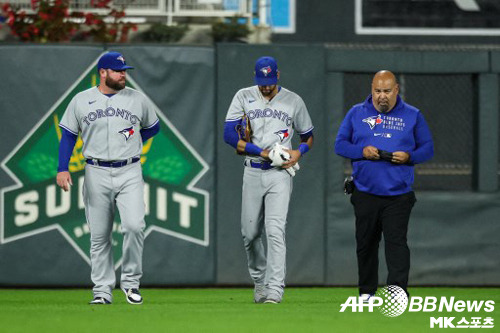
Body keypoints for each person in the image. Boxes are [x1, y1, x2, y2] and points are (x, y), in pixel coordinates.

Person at [56, 51, 160, 305]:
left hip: (130, 170)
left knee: (135, 226)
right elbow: (69, 135)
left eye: (124, 70)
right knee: (100, 235)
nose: (123, 74)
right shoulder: (81, 100)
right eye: (117, 70)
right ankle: (102, 289)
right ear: (103, 72)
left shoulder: (137, 99)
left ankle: (131, 283)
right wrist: (62, 168)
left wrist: (133, 140)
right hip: (95, 170)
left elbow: (153, 127)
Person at [334, 70, 433, 301]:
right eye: (377, 91)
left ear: (396, 90)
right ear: (371, 89)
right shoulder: (356, 113)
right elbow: (340, 145)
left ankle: (397, 293)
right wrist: (362, 151)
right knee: (366, 244)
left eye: (387, 91)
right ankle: (367, 293)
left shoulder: (413, 115)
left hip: (398, 195)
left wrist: (409, 156)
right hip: (365, 192)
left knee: (396, 244)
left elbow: (427, 149)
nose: (382, 96)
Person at [223, 56, 314, 304]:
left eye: (270, 81)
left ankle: (275, 288)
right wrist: (261, 152)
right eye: (262, 81)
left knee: (275, 230)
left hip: (280, 173)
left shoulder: (294, 100)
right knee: (250, 234)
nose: (266, 86)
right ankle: (260, 281)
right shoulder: (243, 96)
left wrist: (299, 152)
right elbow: (229, 135)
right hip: (253, 169)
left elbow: (308, 136)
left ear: (278, 75)